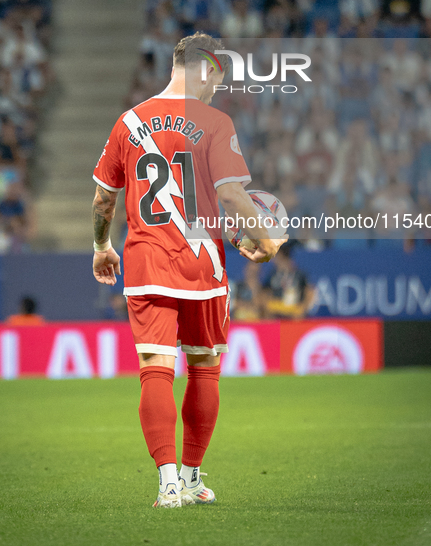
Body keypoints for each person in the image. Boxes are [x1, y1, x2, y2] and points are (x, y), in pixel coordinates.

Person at [92, 32, 286, 508]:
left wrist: (101, 245)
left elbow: (103, 199)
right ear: (206, 70)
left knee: (156, 368)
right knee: (203, 366)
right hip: (204, 264)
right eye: (217, 78)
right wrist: (268, 240)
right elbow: (233, 194)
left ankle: (169, 485)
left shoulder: (128, 121)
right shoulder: (215, 122)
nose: (217, 88)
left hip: (147, 260)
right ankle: (192, 475)